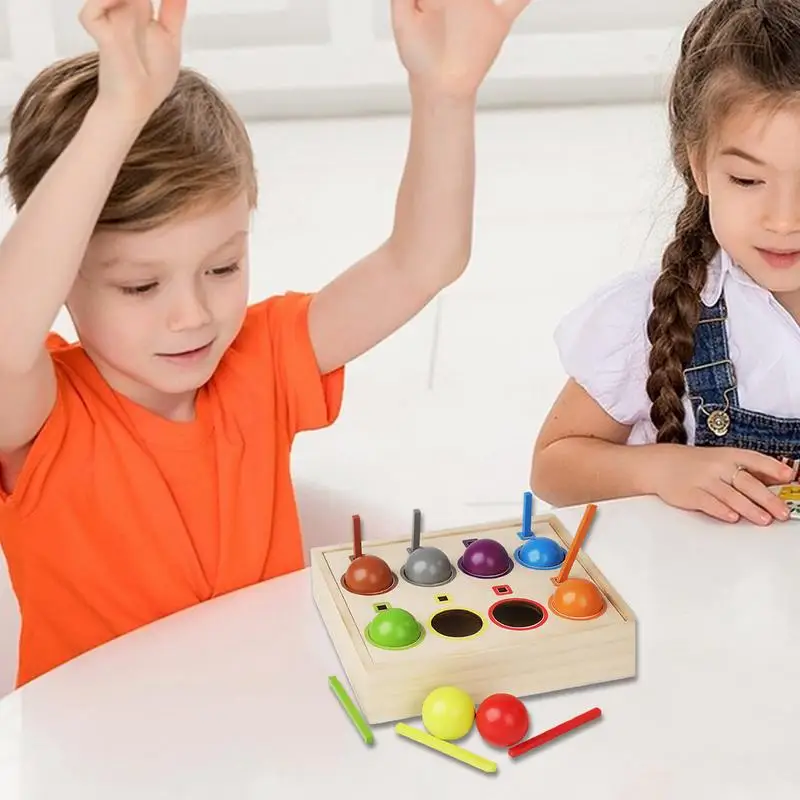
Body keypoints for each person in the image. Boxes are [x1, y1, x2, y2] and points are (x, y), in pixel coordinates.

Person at [0, 0, 529, 687]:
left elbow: (421, 262)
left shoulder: (262, 357)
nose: (192, 316)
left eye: (223, 268)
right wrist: (117, 112)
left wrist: (446, 94)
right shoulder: (37, 415)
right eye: (140, 286)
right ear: (60, 277)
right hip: (97, 747)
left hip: (270, 722)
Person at [531, 0, 800, 527]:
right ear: (698, 165)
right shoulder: (650, 313)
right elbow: (552, 468)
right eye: (747, 180)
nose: (784, 219)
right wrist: (660, 468)